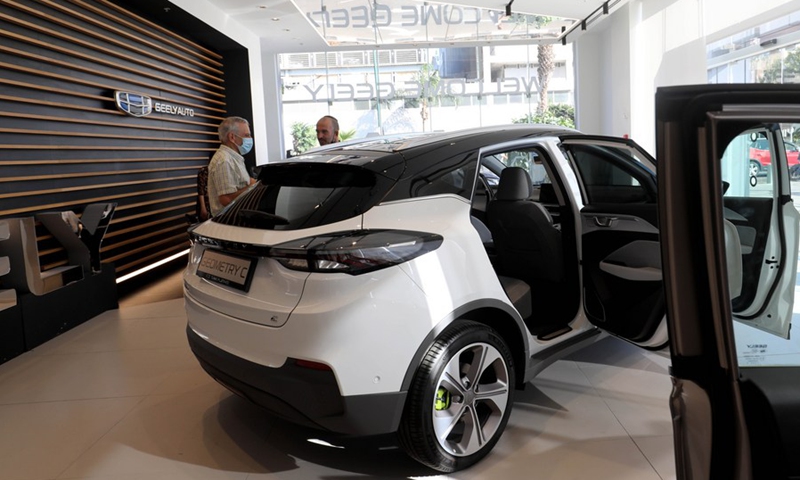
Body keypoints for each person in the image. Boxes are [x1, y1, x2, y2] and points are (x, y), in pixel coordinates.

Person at [208, 116, 256, 216]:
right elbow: (226, 199)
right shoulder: (224, 160)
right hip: (229, 221)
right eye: (247, 135)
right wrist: (252, 186)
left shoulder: (233, 157)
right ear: (232, 137)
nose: (250, 139)